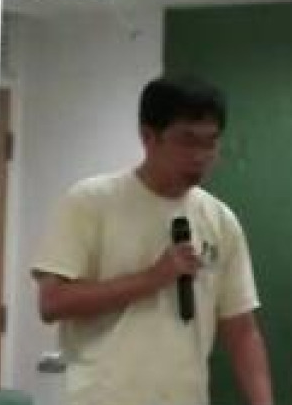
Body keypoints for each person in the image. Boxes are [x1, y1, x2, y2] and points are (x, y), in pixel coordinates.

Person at [32, 76, 273, 405]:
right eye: (188, 141)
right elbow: (53, 302)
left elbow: (242, 330)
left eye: (211, 142)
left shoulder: (220, 220)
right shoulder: (90, 201)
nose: (201, 156)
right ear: (148, 137)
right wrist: (152, 278)